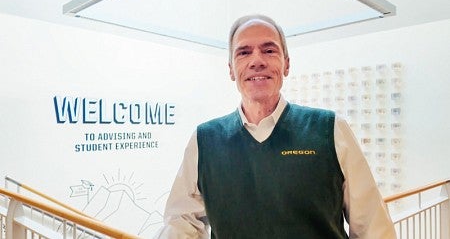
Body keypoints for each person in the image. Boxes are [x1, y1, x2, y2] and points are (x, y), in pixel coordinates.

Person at [155, 14, 396, 238]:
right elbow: (181, 220)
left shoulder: (330, 130)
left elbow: (372, 227)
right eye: (243, 53)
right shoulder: (205, 140)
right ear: (231, 69)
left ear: (286, 64)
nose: (256, 61)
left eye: (269, 50)